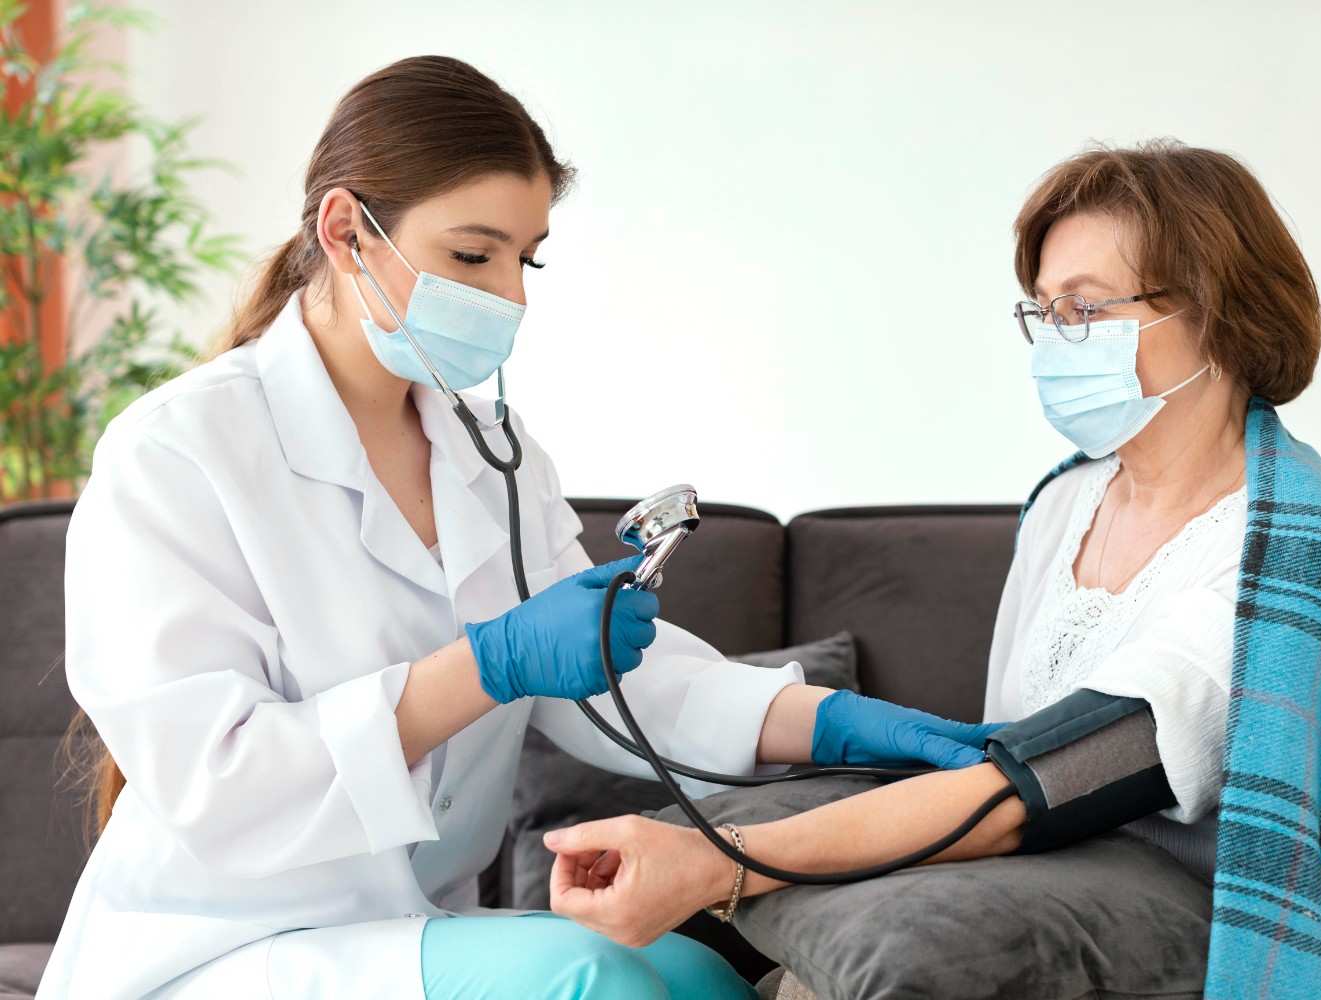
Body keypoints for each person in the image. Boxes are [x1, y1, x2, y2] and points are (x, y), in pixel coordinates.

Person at [38, 56, 998, 1000]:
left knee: (699, 976)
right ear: (345, 231)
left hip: (411, 931)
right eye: (471, 254)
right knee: (581, 977)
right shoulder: (175, 453)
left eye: (524, 258)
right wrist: (489, 663)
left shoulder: (488, 448)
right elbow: (217, 780)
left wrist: (829, 722)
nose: (511, 295)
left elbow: (611, 681)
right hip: (220, 945)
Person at [543, 141, 1321, 998]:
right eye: (1042, 312)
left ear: (1215, 310)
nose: (1053, 343)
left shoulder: (1280, 557)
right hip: (1048, 871)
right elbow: (1010, 757)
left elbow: (1045, 783)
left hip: (1207, 915)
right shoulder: (1067, 502)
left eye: (1084, 309)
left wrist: (724, 863)